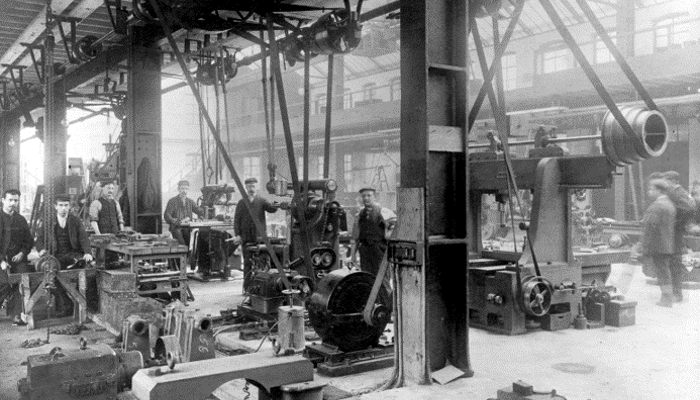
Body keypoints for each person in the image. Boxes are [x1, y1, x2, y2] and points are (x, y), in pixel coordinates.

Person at [233, 178, 280, 292]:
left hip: (259, 237)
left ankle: (260, 288)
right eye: (249, 187)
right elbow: (236, 220)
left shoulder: (262, 200)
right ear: (246, 188)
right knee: (248, 263)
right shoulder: (242, 202)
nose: (251, 189)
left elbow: (272, 209)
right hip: (246, 237)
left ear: (257, 187)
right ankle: (247, 287)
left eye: (253, 186)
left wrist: (278, 202)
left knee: (261, 262)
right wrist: (238, 235)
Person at [0, 189, 34, 326]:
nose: (13, 203)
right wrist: (1, 261)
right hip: (1, 260)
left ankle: (17, 315)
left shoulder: (20, 220)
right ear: (2, 200)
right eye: (10, 200)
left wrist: (22, 253)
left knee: (22, 278)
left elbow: (28, 241)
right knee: (4, 282)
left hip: (17, 259)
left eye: (16, 200)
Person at [660, 171, 696, 303]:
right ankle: (674, 293)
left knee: (674, 263)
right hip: (674, 232)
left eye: (665, 181)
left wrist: (675, 223)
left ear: (672, 181)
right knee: (672, 262)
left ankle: (677, 294)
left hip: (675, 233)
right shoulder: (678, 192)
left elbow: (689, 209)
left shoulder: (677, 193)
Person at [641, 179, 677, 307]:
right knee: (664, 271)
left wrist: (644, 246)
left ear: (659, 190)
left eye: (651, 189)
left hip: (658, 245)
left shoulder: (657, 206)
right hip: (666, 244)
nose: (649, 192)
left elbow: (649, 228)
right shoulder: (669, 204)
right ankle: (667, 297)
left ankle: (667, 299)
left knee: (662, 273)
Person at [36, 194, 94, 269]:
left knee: (85, 266)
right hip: (55, 255)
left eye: (66, 205)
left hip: (73, 254)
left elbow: (83, 238)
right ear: (55, 206)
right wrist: (41, 249)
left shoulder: (76, 221)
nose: (63, 208)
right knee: (49, 269)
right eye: (61, 205)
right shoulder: (48, 222)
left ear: (69, 206)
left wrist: (87, 252)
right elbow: (39, 238)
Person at [350, 187, 394, 277]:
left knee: (382, 278)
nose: (366, 198)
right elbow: (355, 237)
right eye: (363, 196)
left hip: (379, 250)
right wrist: (352, 256)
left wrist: (388, 235)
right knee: (367, 277)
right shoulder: (359, 215)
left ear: (375, 197)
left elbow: (396, 226)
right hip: (365, 251)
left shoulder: (383, 212)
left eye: (369, 195)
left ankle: (386, 291)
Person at [164, 180, 204, 246]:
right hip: (177, 227)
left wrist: (202, 216)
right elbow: (167, 215)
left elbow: (199, 211)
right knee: (182, 245)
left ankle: (189, 255)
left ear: (188, 190)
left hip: (188, 228)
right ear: (178, 189)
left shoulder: (190, 202)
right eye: (182, 188)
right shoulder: (172, 201)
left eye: (186, 189)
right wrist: (176, 221)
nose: (184, 191)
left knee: (192, 244)